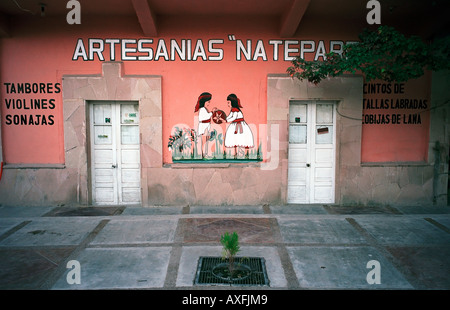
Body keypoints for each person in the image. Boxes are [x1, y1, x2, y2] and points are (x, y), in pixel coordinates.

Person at [224, 94, 254, 158]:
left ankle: (241, 153)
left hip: (239, 126)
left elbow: (233, 117)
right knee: (235, 139)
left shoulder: (236, 110)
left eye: (229, 103)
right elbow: (229, 116)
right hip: (235, 125)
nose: (228, 104)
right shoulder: (233, 110)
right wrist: (224, 119)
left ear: (232, 102)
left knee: (240, 139)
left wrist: (226, 121)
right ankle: (236, 153)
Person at [194, 92, 216, 158]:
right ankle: (203, 154)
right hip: (203, 127)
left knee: (206, 141)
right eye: (208, 102)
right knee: (204, 141)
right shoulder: (202, 109)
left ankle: (205, 153)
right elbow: (206, 117)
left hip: (205, 126)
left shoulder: (204, 109)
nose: (209, 103)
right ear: (204, 102)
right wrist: (212, 112)